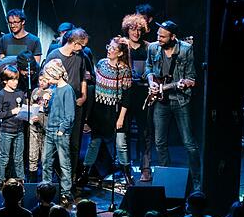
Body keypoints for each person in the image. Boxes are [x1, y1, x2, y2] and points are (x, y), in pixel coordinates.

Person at [145, 20, 201, 190]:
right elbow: (148, 68)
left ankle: (197, 182)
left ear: (173, 37)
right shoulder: (153, 48)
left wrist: (181, 84)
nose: (159, 38)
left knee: (189, 143)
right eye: (158, 35)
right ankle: (167, 179)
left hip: (180, 100)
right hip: (160, 101)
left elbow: (191, 78)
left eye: (162, 36)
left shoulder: (185, 49)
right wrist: (151, 81)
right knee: (159, 141)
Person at [77, 36, 134, 187]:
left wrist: (121, 118)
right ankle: (85, 172)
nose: (109, 50)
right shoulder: (101, 64)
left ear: (120, 53)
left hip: (115, 112)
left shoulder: (124, 71)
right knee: (94, 143)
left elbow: (127, 98)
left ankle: (126, 173)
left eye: (113, 48)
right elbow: (96, 86)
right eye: (109, 47)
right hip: (100, 110)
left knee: (120, 144)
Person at [43, 29, 88, 189]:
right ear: (74, 43)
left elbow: (83, 77)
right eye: (81, 45)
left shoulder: (80, 57)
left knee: (74, 143)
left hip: (76, 104)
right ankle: (53, 182)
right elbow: (45, 80)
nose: (82, 49)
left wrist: (83, 96)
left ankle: (71, 180)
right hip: (58, 104)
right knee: (56, 145)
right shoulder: (54, 55)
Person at [122, 13, 154, 182]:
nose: (136, 33)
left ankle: (146, 168)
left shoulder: (149, 47)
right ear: (127, 29)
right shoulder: (122, 45)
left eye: (140, 29)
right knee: (124, 133)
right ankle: (125, 169)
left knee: (145, 132)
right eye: (133, 29)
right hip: (126, 95)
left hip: (143, 94)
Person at [40, 59, 76, 204]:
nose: (47, 80)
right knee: (46, 161)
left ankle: (66, 193)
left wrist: (62, 130)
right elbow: (49, 111)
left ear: (55, 74)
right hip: (50, 130)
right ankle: (45, 188)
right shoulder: (53, 91)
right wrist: (46, 103)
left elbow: (70, 115)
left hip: (61, 132)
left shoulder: (67, 90)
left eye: (48, 77)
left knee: (64, 164)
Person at [0, 66, 26, 183]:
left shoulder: (20, 93)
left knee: (18, 158)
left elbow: (24, 109)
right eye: (12, 80)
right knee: (4, 158)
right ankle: (1, 181)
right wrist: (12, 112)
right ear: (5, 81)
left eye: (16, 79)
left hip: (19, 130)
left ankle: (20, 181)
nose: (15, 82)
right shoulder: (1, 95)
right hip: (6, 131)